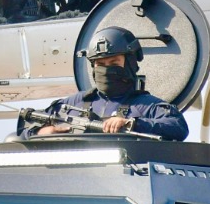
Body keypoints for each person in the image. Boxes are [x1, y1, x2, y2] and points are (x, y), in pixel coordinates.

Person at [19, 26, 188, 140]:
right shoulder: (73, 103)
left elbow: (178, 127)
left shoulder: (147, 106)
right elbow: (24, 129)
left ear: (130, 63)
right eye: (100, 65)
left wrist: (131, 123)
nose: (106, 70)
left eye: (114, 64)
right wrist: (41, 132)